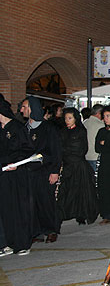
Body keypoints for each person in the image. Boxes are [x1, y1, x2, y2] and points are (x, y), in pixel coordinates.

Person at [20, 96, 62, 244]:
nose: (22, 110)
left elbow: (56, 151)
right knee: (32, 203)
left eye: (25, 107)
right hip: (29, 172)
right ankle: (36, 231)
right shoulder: (24, 128)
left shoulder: (48, 128)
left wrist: (55, 171)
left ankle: (51, 229)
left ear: (33, 109)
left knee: (46, 202)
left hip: (46, 171)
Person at [0, 96, 35, 256]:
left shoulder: (17, 128)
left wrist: (15, 163)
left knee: (18, 209)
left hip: (17, 175)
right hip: (3, 177)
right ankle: (8, 242)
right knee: (5, 210)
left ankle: (22, 243)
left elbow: (27, 150)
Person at [56, 108, 99, 226]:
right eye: (65, 118)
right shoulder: (62, 131)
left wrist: (67, 150)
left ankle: (81, 214)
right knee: (66, 192)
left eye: (70, 118)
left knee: (81, 192)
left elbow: (81, 149)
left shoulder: (80, 131)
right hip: (67, 166)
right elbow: (59, 148)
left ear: (75, 118)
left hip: (79, 166)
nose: (67, 121)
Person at [83, 104, 103, 174]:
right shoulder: (101, 125)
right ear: (99, 113)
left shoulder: (84, 123)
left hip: (85, 156)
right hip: (95, 156)